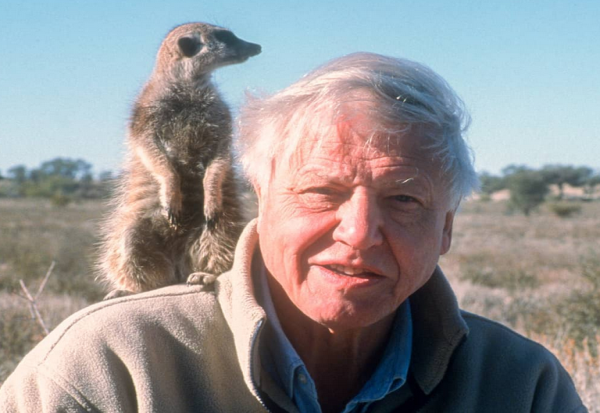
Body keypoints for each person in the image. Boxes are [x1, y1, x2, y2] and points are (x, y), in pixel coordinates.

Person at [0, 53, 586, 413]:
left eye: (404, 200)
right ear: (262, 199)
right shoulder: (111, 369)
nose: (359, 233)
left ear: (446, 228)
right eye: (321, 192)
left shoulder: (520, 386)